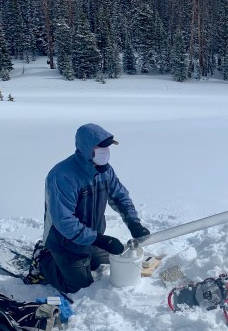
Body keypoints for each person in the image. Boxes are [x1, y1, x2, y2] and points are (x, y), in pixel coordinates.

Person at [36, 123, 150, 294]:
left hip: (92, 237)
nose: (106, 151)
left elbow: (120, 197)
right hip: (65, 241)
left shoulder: (105, 171)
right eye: (101, 147)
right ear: (87, 148)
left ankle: (86, 257)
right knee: (78, 287)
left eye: (108, 147)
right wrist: (100, 240)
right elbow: (64, 221)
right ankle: (43, 259)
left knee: (115, 257)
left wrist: (134, 223)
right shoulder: (62, 176)